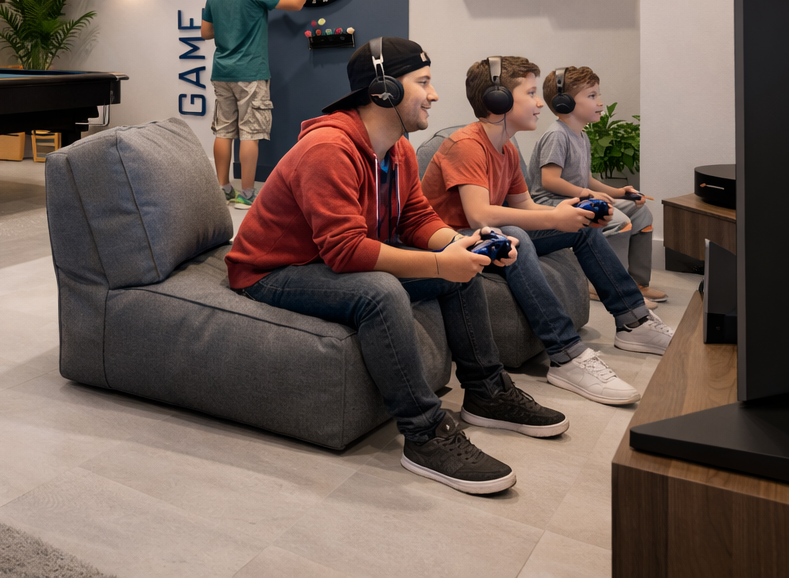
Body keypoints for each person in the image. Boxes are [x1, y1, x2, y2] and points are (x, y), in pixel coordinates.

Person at [227, 37, 568, 496]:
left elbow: (416, 219)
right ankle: (425, 435)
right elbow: (346, 252)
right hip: (272, 271)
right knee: (381, 291)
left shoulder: (400, 148)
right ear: (384, 89)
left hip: (326, 260)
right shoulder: (328, 148)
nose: (434, 94)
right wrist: (437, 263)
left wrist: (465, 244)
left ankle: (488, 394)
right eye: (423, 82)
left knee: (461, 269)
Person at [421, 56, 674, 407]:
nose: (541, 103)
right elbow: (479, 216)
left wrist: (568, 214)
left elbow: (525, 206)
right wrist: (554, 219)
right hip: (455, 240)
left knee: (580, 226)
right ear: (499, 100)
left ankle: (634, 322)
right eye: (531, 93)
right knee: (515, 232)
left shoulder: (507, 148)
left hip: (488, 234)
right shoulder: (467, 145)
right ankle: (566, 355)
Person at [200, 0, 319, 208]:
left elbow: (206, 32)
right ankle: (247, 195)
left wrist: (231, 26)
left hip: (222, 73)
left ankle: (223, 189)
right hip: (250, 73)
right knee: (250, 133)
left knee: (224, 131)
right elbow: (296, 3)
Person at [529, 66, 665, 303]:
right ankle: (609, 286)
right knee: (618, 221)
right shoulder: (557, 135)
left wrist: (620, 192)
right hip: (551, 202)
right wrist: (586, 194)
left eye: (598, 95)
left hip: (576, 196)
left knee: (640, 212)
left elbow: (586, 179)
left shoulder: (581, 135)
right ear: (565, 103)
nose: (600, 102)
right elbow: (549, 180)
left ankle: (637, 283)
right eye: (592, 96)